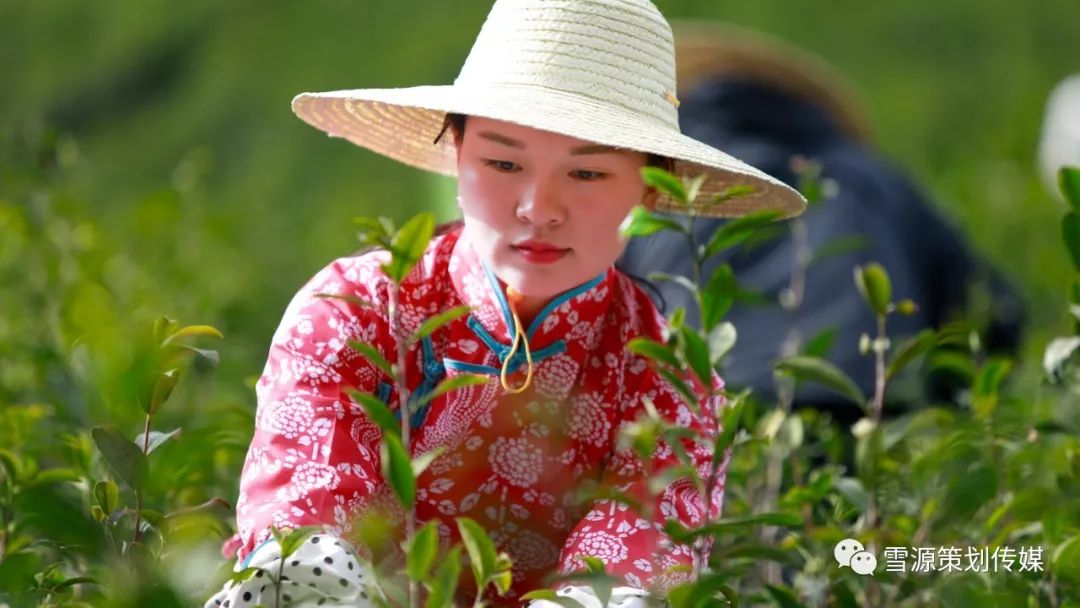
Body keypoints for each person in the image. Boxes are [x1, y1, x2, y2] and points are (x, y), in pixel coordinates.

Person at [204, 2, 806, 607]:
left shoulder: (668, 372)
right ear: (456, 152)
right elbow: (305, 543)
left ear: (651, 184)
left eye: (588, 173)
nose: (539, 208)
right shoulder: (354, 310)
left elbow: (629, 579)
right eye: (502, 162)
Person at [619, 22, 1024, 424]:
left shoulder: (646, 176)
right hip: (870, 410)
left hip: (704, 417)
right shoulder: (874, 177)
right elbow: (991, 313)